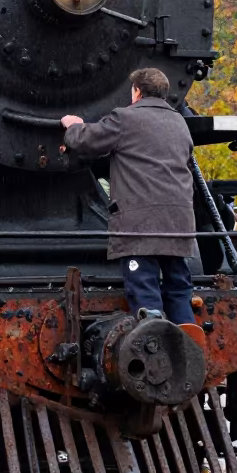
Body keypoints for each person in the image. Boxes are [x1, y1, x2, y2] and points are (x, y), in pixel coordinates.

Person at [61, 67, 197, 325]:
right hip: (179, 223)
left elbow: (88, 140)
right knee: (179, 288)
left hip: (141, 226)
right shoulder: (180, 123)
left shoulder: (125, 118)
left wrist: (73, 126)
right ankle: (188, 344)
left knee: (144, 291)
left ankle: (155, 346)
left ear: (137, 91)